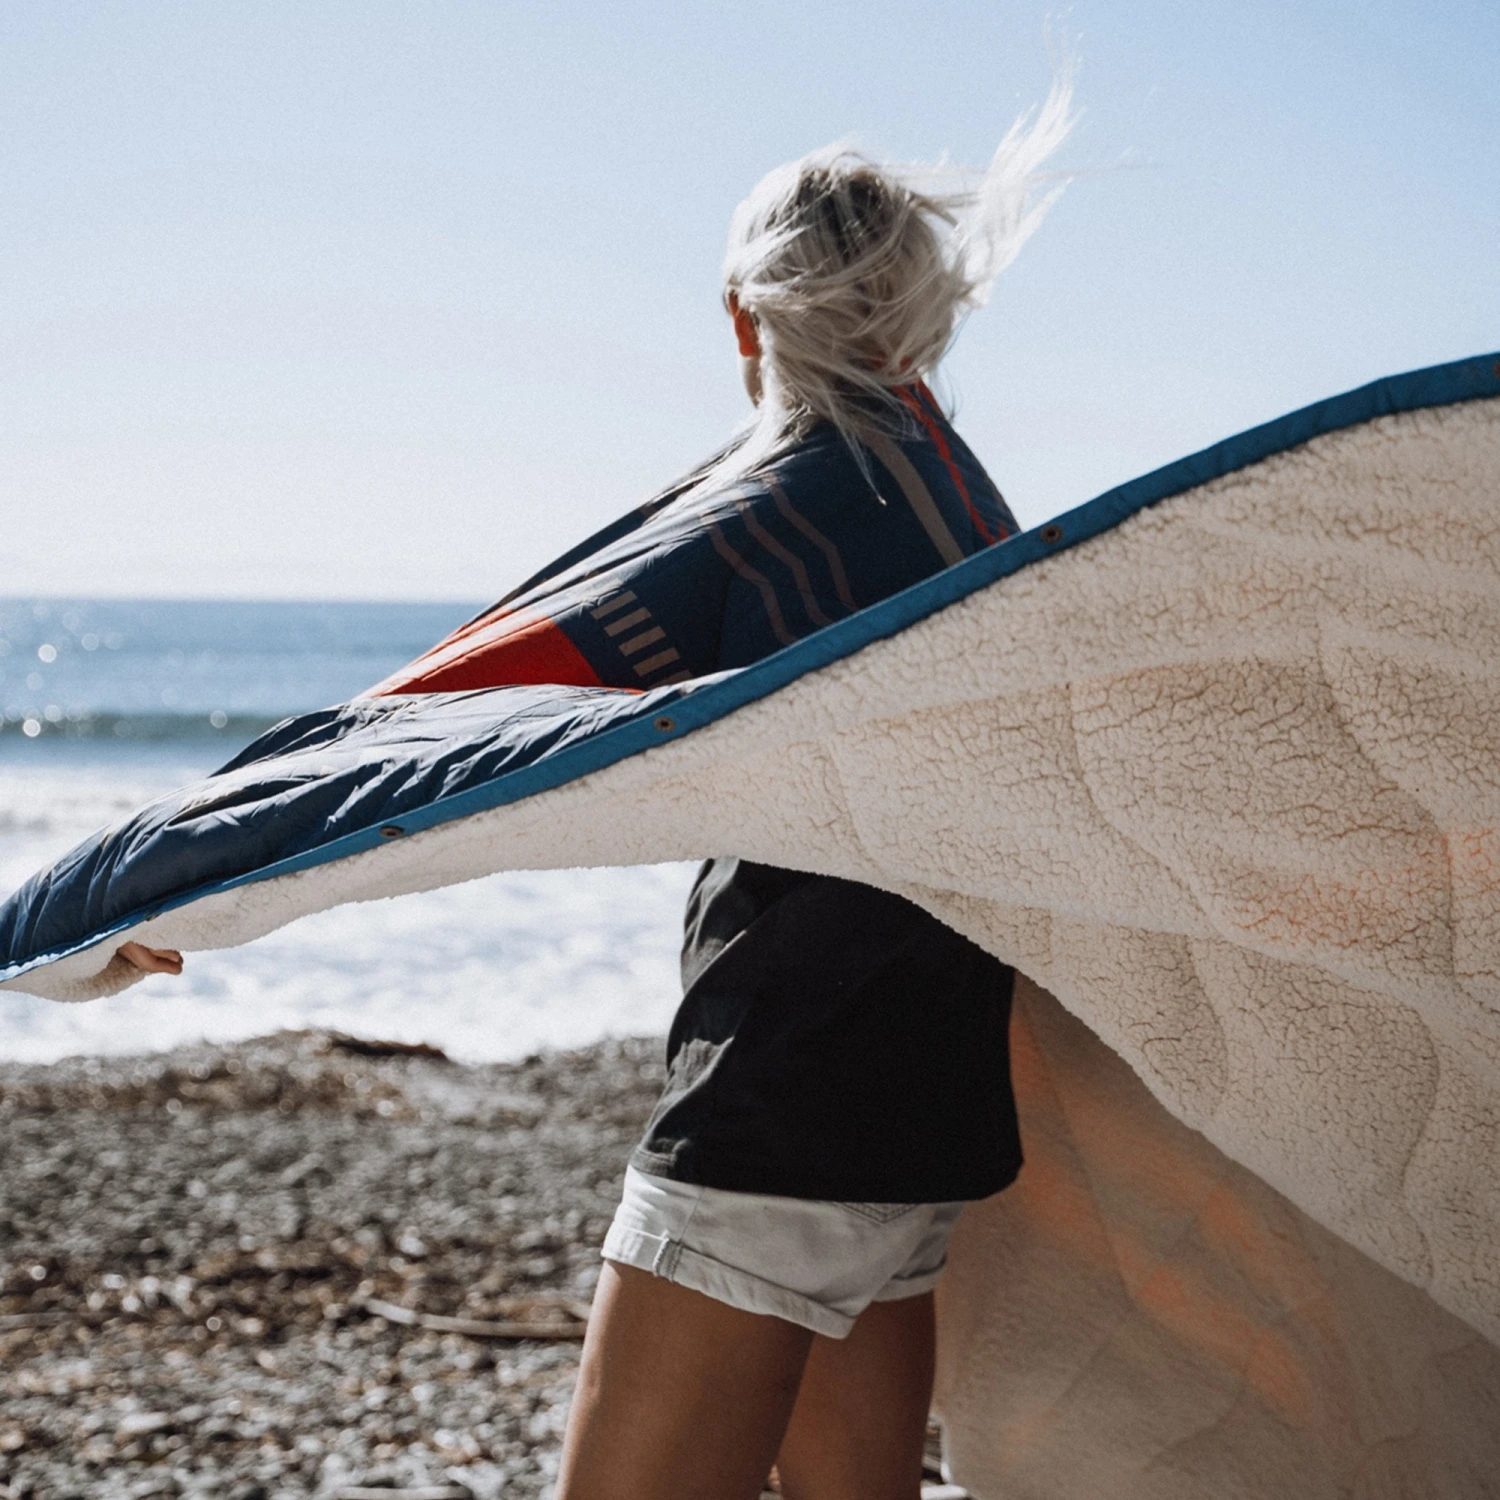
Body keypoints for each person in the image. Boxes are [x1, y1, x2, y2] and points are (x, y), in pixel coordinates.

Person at [120, 74, 1075, 1500]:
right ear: (915, 317)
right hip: (924, 1116)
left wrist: (169, 879)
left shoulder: (773, 513)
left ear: (748, 324)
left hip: (778, 1119)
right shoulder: (972, 518)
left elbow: (459, 722)